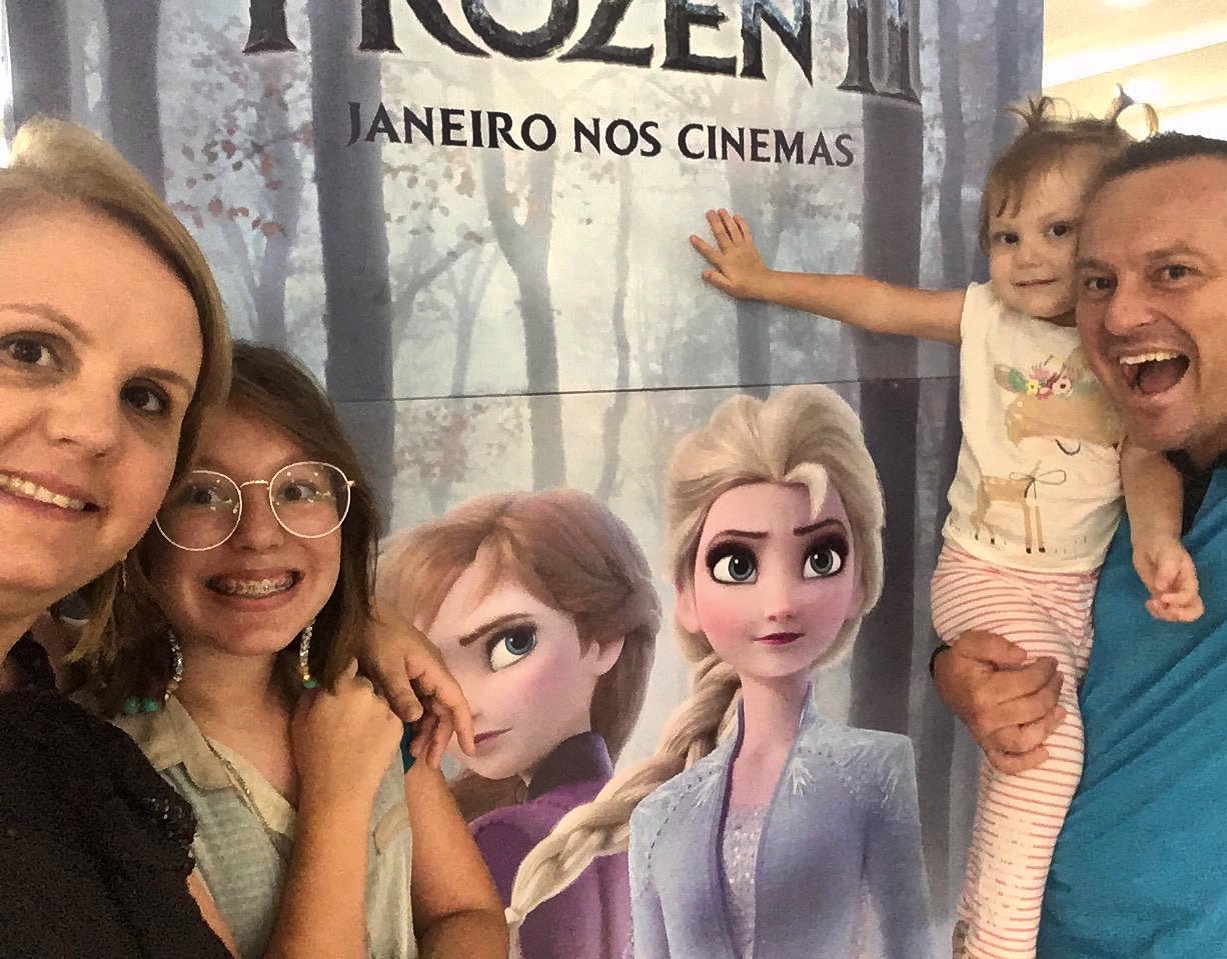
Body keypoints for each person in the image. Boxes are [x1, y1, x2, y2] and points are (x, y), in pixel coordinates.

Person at [691, 97, 1196, 959]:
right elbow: (879, 303)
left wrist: (1156, 538)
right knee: (1047, 748)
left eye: (1057, 231)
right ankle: (992, 941)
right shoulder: (988, 317)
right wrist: (766, 280)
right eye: (1005, 236)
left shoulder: (1116, 344)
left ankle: (981, 917)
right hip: (988, 572)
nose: (1026, 256)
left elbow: (1143, 457)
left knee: (1033, 750)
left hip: (1074, 590)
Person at [93, 343, 508, 959]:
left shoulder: (374, 700)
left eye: (298, 489)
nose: (260, 535)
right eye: (202, 495)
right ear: (139, 523)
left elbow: (465, 912)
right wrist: (337, 799)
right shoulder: (106, 766)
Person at [505, 386, 936, 958]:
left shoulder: (875, 770)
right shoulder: (661, 812)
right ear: (686, 595)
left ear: (859, 581)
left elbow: (910, 944)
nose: (780, 602)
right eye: (738, 564)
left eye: (820, 559)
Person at [935, 132, 1227, 957]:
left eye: (1173, 271)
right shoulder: (1115, 483)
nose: (1120, 313)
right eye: (1096, 281)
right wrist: (958, 668)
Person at [0, 115, 233, 958]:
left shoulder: (83, 761)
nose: (95, 430)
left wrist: (348, 614)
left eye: (145, 398)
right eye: (29, 350)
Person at [376, 490, 660, 959]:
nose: (465, 703)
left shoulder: (509, 836)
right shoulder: (647, 825)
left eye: (512, 644)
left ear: (603, 641)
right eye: (430, 673)